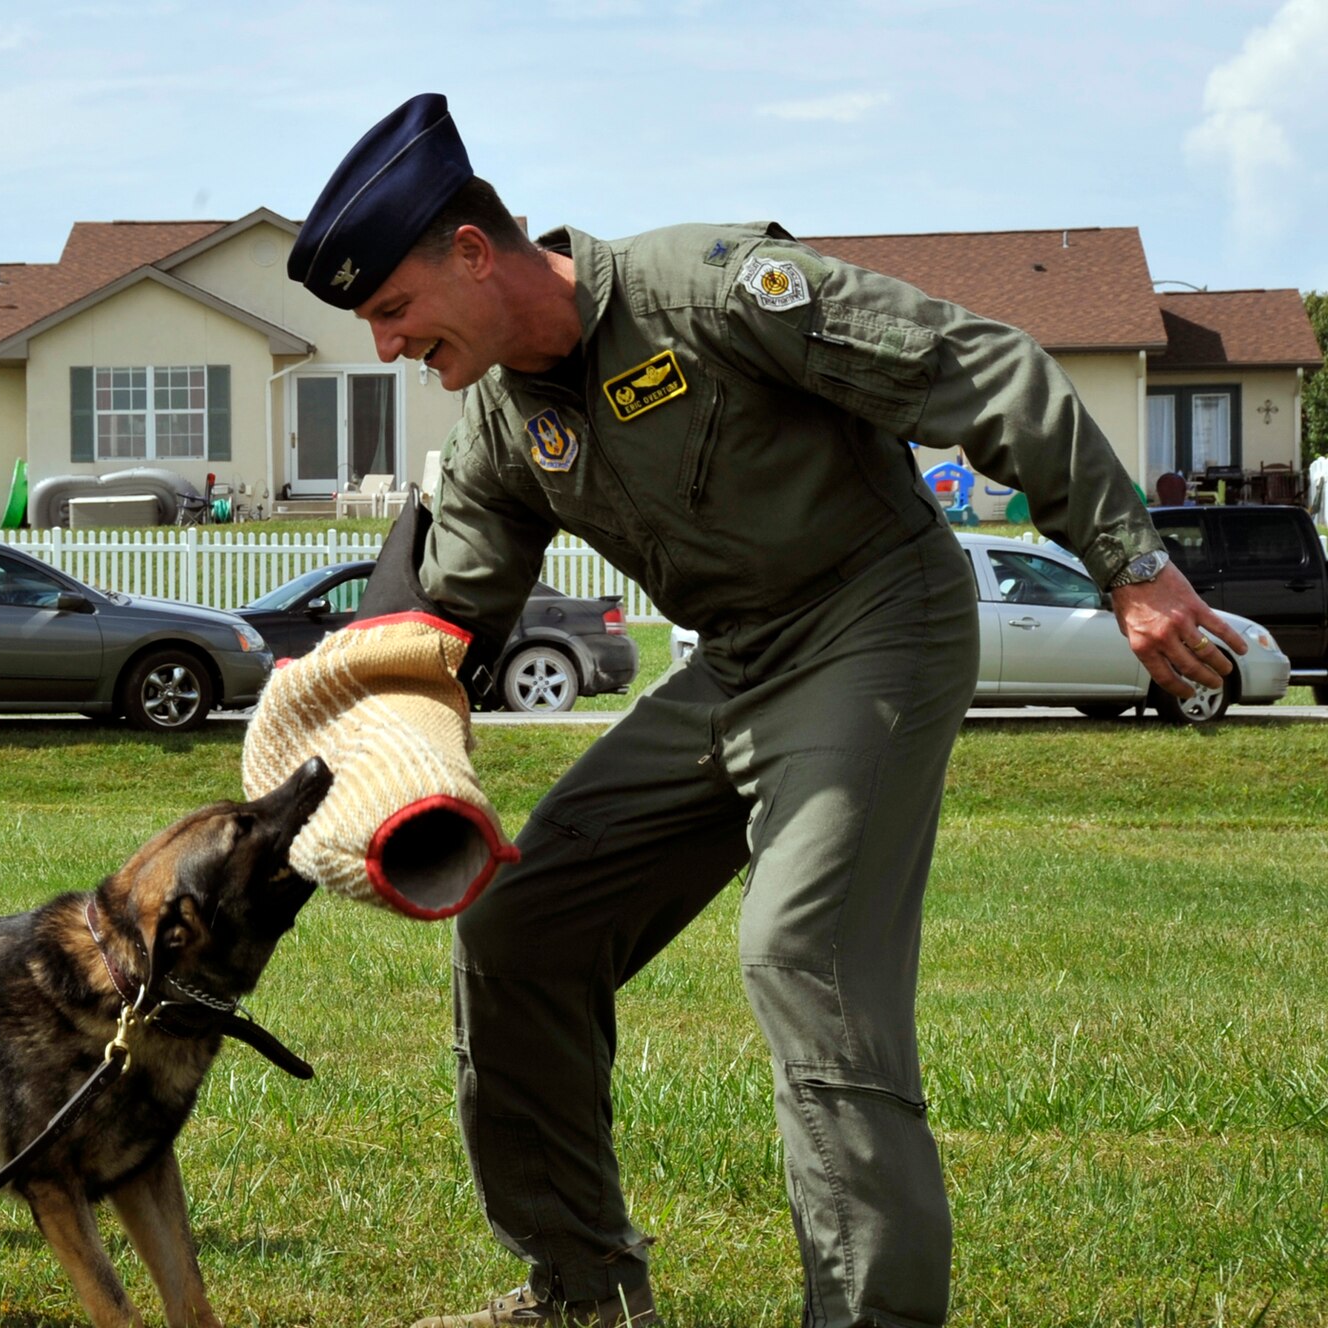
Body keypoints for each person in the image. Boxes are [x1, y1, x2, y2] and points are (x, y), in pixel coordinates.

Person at [284, 94, 1244, 1328]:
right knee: (519, 927)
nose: (380, 348)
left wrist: (1128, 567)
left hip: (872, 621)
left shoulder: (708, 293)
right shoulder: (498, 427)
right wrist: (338, 753)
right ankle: (579, 1291)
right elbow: (440, 624)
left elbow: (980, 369)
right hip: (735, 660)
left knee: (799, 950)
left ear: (472, 252)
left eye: (390, 311)